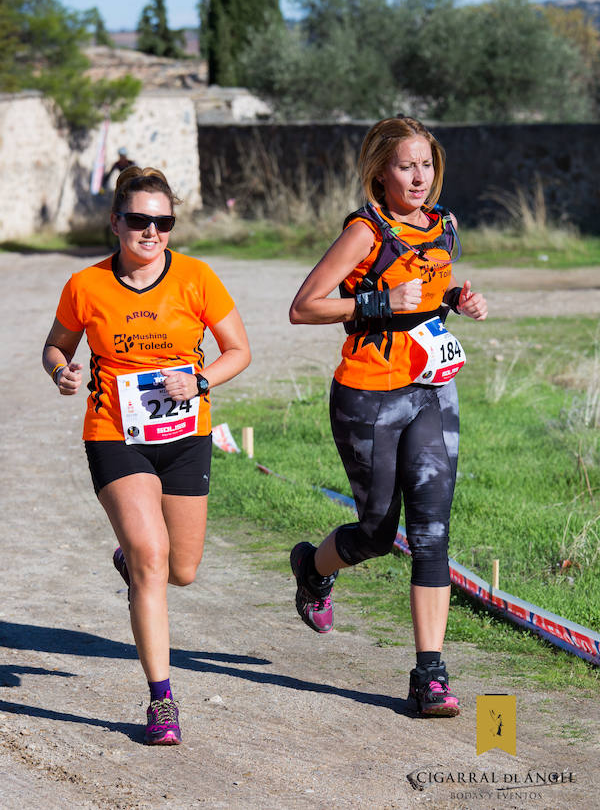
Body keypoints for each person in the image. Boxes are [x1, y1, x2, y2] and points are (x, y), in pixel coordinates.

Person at [42, 166, 251, 744]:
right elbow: (56, 346)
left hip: (185, 436)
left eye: (163, 222)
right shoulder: (86, 285)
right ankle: (162, 701)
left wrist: (202, 380)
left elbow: (239, 350)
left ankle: (132, 561)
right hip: (114, 433)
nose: (151, 232)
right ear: (116, 222)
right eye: (139, 220)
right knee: (153, 559)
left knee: (182, 569)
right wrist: (63, 371)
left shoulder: (196, 278)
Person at [288, 117, 487, 717]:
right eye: (406, 165)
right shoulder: (363, 230)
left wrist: (458, 300)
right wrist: (376, 301)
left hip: (432, 389)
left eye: (426, 163)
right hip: (369, 397)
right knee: (377, 531)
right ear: (381, 172)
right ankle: (312, 569)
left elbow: (427, 293)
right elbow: (304, 307)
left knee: (432, 533)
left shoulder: (445, 226)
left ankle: (430, 676)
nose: (419, 176)